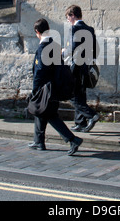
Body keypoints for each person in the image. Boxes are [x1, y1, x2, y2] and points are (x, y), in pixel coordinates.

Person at [28, 18, 83, 156]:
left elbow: (40, 71)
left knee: (49, 115)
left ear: (37, 32)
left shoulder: (42, 48)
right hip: (54, 86)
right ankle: (38, 141)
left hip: (45, 88)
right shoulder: (54, 45)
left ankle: (72, 139)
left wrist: (35, 90)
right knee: (42, 112)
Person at [63, 5, 100, 133]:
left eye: (68, 17)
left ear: (72, 15)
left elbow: (72, 48)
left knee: (72, 95)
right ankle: (80, 122)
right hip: (86, 67)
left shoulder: (74, 29)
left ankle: (91, 115)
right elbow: (95, 49)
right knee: (80, 94)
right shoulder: (89, 29)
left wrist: (63, 52)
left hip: (76, 67)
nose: (67, 20)